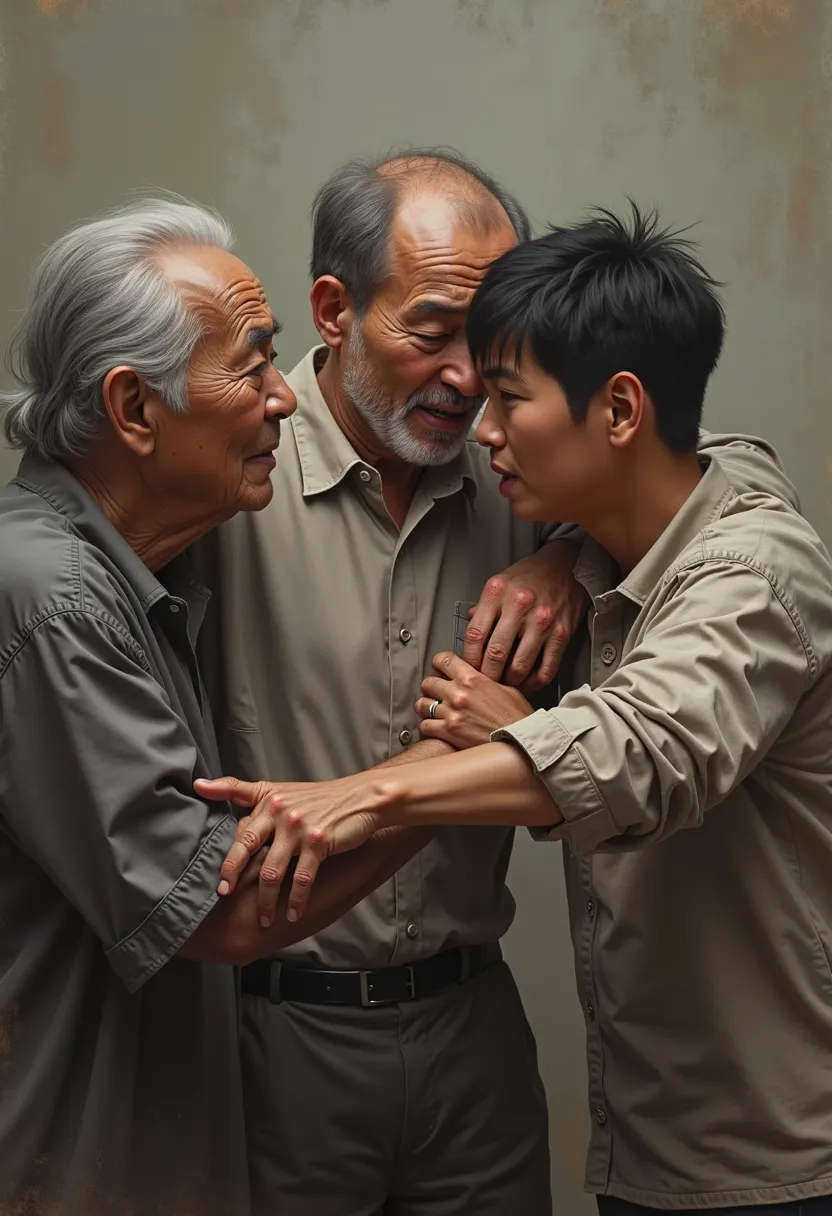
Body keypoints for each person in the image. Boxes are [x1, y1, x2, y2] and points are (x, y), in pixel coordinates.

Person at [196, 150, 804, 1216]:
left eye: (487, 353)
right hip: (271, 1028)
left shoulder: (527, 464)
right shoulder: (235, 464)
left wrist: (561, 555)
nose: (468, 381)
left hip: (472, 1028)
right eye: (430, 333)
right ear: (332, 311)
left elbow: (707, 465)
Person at [0, 196, 431, 1216]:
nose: (283, 399)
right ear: (134, 410)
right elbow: (222, 910)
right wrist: (445, 778)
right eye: (248, 364)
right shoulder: (51, 598)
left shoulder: (141, 571)